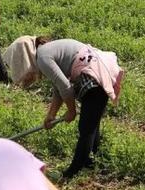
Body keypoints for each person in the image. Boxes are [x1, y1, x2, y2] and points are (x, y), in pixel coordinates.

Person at [36, 39, 124, 180]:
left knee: (86, 128)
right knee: (91, 123)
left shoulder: (41, 58)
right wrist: (51, 115)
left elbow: (65, 87)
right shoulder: (45, 51)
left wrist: (71, 110)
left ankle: (72, 172)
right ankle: (92, 161)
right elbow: (59, 87)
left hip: (94, 75)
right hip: (99, 68)